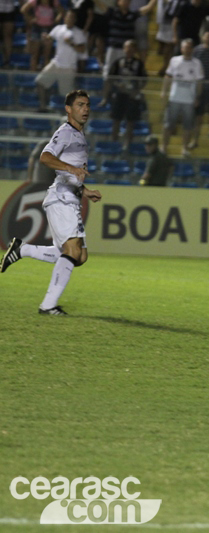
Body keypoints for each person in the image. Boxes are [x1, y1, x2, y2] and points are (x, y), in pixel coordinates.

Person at [0, 90, 103, 315]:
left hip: (70, 198)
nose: (85, 109)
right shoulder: (65, 132)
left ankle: (22, 249)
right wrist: (71, 168)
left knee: (79, 256)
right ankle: (48, 306)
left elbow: (71, 175)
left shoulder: (79, 136)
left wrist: (84, 191)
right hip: (61, 199)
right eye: (79, 105)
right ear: (68, 109)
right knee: (73, 251)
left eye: (87, 105)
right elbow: (45, 157)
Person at [35, 9, 86, 112]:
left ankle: (69, 114)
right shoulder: (58, 28)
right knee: (40, 82)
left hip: (69, 67)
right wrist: (46, 37)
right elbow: (50, 38)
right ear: (65, 18)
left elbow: (82, 50)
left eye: (72, 17)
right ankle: (43, 106)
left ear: (75, 20)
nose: (70, 19)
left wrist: (71, 43)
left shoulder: (79, 33)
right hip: (56, 63)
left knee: (67, 95)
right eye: (68, 17)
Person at [100, 39, 146, 151]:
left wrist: (136, 89)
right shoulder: (118, 62)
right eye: (127, 48)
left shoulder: (139, 64)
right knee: (116, 120)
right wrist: (116, 87)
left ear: (134, 50)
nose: (129, 50)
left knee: (130, 121)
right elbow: (110, 78)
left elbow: (143, 79)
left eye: (131, 48)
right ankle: (114, 143)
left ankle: (127, 145)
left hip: (132, 96)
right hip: (119, 95)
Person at [161, 38, 204, 157]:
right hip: (174, 97)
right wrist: (164, 91)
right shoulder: (174, 60)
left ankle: (184, 148)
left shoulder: (197, 63)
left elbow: (199, 82)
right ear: (181, 48)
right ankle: (164, 147)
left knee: (187, 125)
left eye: (189, 47)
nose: (187, 50)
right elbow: (168, 76)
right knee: (168, 124)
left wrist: (197, 97)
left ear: (192, 49)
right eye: (185, 47)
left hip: (189, 100)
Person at [98, 0, 156, 78]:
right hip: (113, 48)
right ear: (118, 2)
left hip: (126, 50)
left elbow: (149, 7)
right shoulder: (112, 12)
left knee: (123, 72)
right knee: (108, 71)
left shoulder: (132, 15)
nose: (126, 2)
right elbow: (99, 4)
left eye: (128, 1)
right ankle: (106, 89)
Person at [21, 0, 63, 71]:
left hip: (49, 29)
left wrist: (56, 20)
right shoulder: (35, 1)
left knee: (47, 55)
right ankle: (33, 74)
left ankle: (46, 77)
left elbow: (61, 12)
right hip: (37, 28)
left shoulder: (53, 2)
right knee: (35, 54)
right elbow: (23, 9)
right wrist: (30, 18)